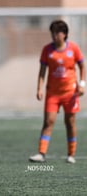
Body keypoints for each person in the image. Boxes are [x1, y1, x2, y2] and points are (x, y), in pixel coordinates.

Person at [29, 20, 85, 164]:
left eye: (56, 33)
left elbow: (82, 66)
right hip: (52, 93)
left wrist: (82, 84)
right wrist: (39, 88)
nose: (54, 36)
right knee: (48, 122)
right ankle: (41, 153)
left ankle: (71, 154)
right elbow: (42, 71)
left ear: (64, 34)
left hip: (70, 93)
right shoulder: (47, 50)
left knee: (70, 122)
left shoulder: (74, 48)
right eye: (52, 33)